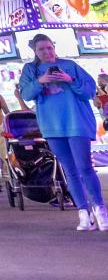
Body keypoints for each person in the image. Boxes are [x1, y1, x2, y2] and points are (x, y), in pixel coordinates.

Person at [19, 33, 107, 230]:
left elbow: (89, 92)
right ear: (35, 51)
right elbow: (26, 94)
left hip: (77, 123)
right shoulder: (30, 70)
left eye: (49, 47)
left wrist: (70, 78)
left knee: (84, 167)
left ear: (54, 47)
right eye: (41, 49)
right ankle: (83, 212)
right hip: (52, 127)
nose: (46, 52)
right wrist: (40, 81)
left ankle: (100, 209)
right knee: (70, 171)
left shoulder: (70, 65)